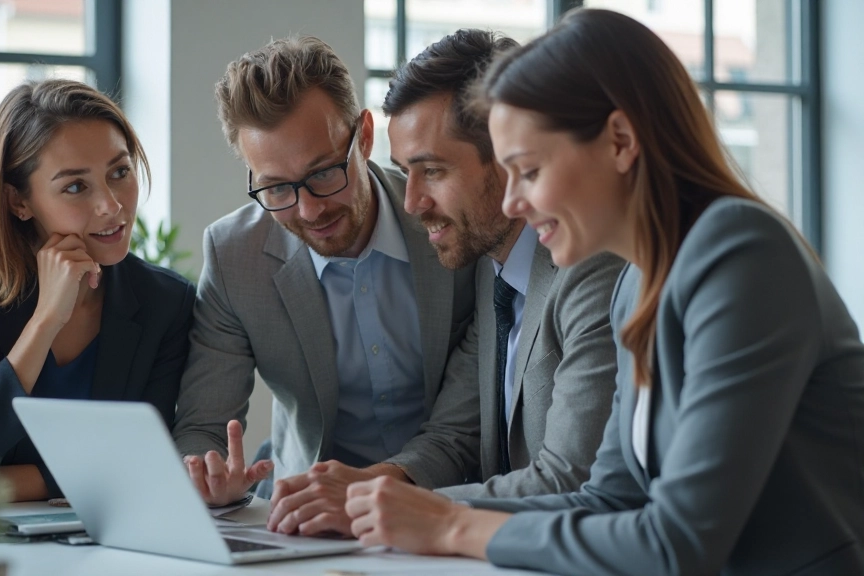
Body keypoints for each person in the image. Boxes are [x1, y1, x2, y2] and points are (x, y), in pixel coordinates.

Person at [345, 9, 864, 575]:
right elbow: (606, 500)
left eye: (530, 170)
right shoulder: (637, 284)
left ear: (620, 141)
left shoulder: (742, 253)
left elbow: (677, 543)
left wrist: (448, 525)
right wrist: (398, 511)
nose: (514, 202)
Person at [265, 29, 625, 535]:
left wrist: (387, 509)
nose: (411, 203)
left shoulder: (589, 266)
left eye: (431, 171)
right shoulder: (489, 267)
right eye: (402, 173)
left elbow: (571, 479)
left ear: (507, 158)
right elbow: (456, 432)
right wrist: (366, 488)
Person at [172, 36, 480, 526]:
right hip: (305, 519)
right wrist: (207, 475)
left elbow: (462, 423)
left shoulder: (448, 219)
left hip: (447, 503)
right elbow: (202, 427)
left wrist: (369, 491)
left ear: (362, 137)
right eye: (276, 188)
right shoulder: (234, 256)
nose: (309, 209)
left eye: (323, 174)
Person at [0, 79, 196, 502]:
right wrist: (45, 323)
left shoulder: (165, 302)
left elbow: (142, 466)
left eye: (120, 172)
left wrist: (3, 482)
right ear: (19, 202)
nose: (111, 205)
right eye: (76, 186)